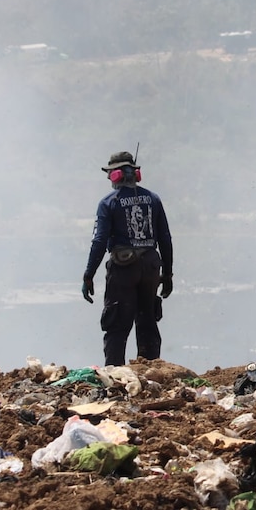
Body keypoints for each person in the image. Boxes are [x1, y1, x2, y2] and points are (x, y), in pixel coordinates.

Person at [82, 151, 174, 367]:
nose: (108, 178)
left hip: (124, 269)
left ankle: (115, 374)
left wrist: (88, 275)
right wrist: (167, 274)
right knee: (147, 321)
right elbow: (165, 238)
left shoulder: (108, 202)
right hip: (151, 267)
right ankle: (151, 372)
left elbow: (99, 241)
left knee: (116, 324)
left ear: (116, 175)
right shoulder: (153, 199)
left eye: (109, 173)